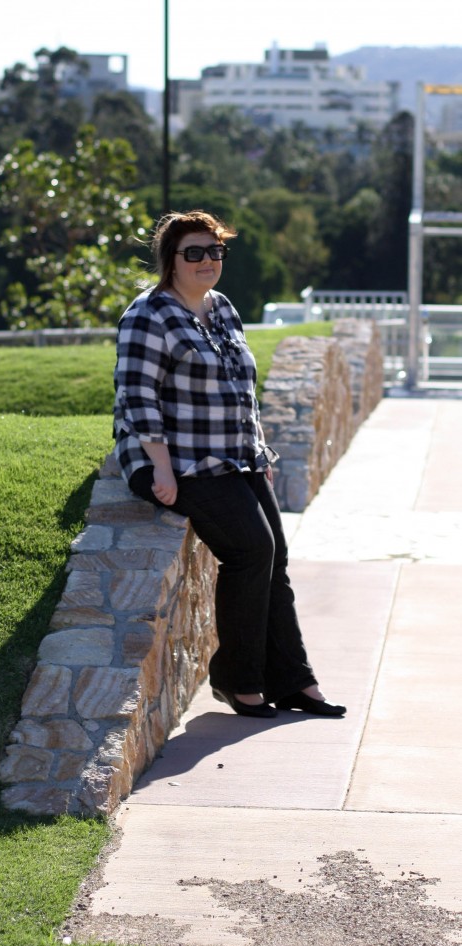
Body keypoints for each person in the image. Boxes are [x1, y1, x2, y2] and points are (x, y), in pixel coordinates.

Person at [113, 210, 345, 719]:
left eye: (215, 251)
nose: (207, 261)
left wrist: (257, 452)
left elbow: (244, 391)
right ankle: (237, 681)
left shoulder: (220, 308)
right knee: (250, 551)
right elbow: (136, 396)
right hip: (181, 461)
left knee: (275, 558)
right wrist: (161, 467)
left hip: (231, 456)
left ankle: (294, 681)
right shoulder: (148, 315)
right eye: (193, 252)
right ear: (169, 261)